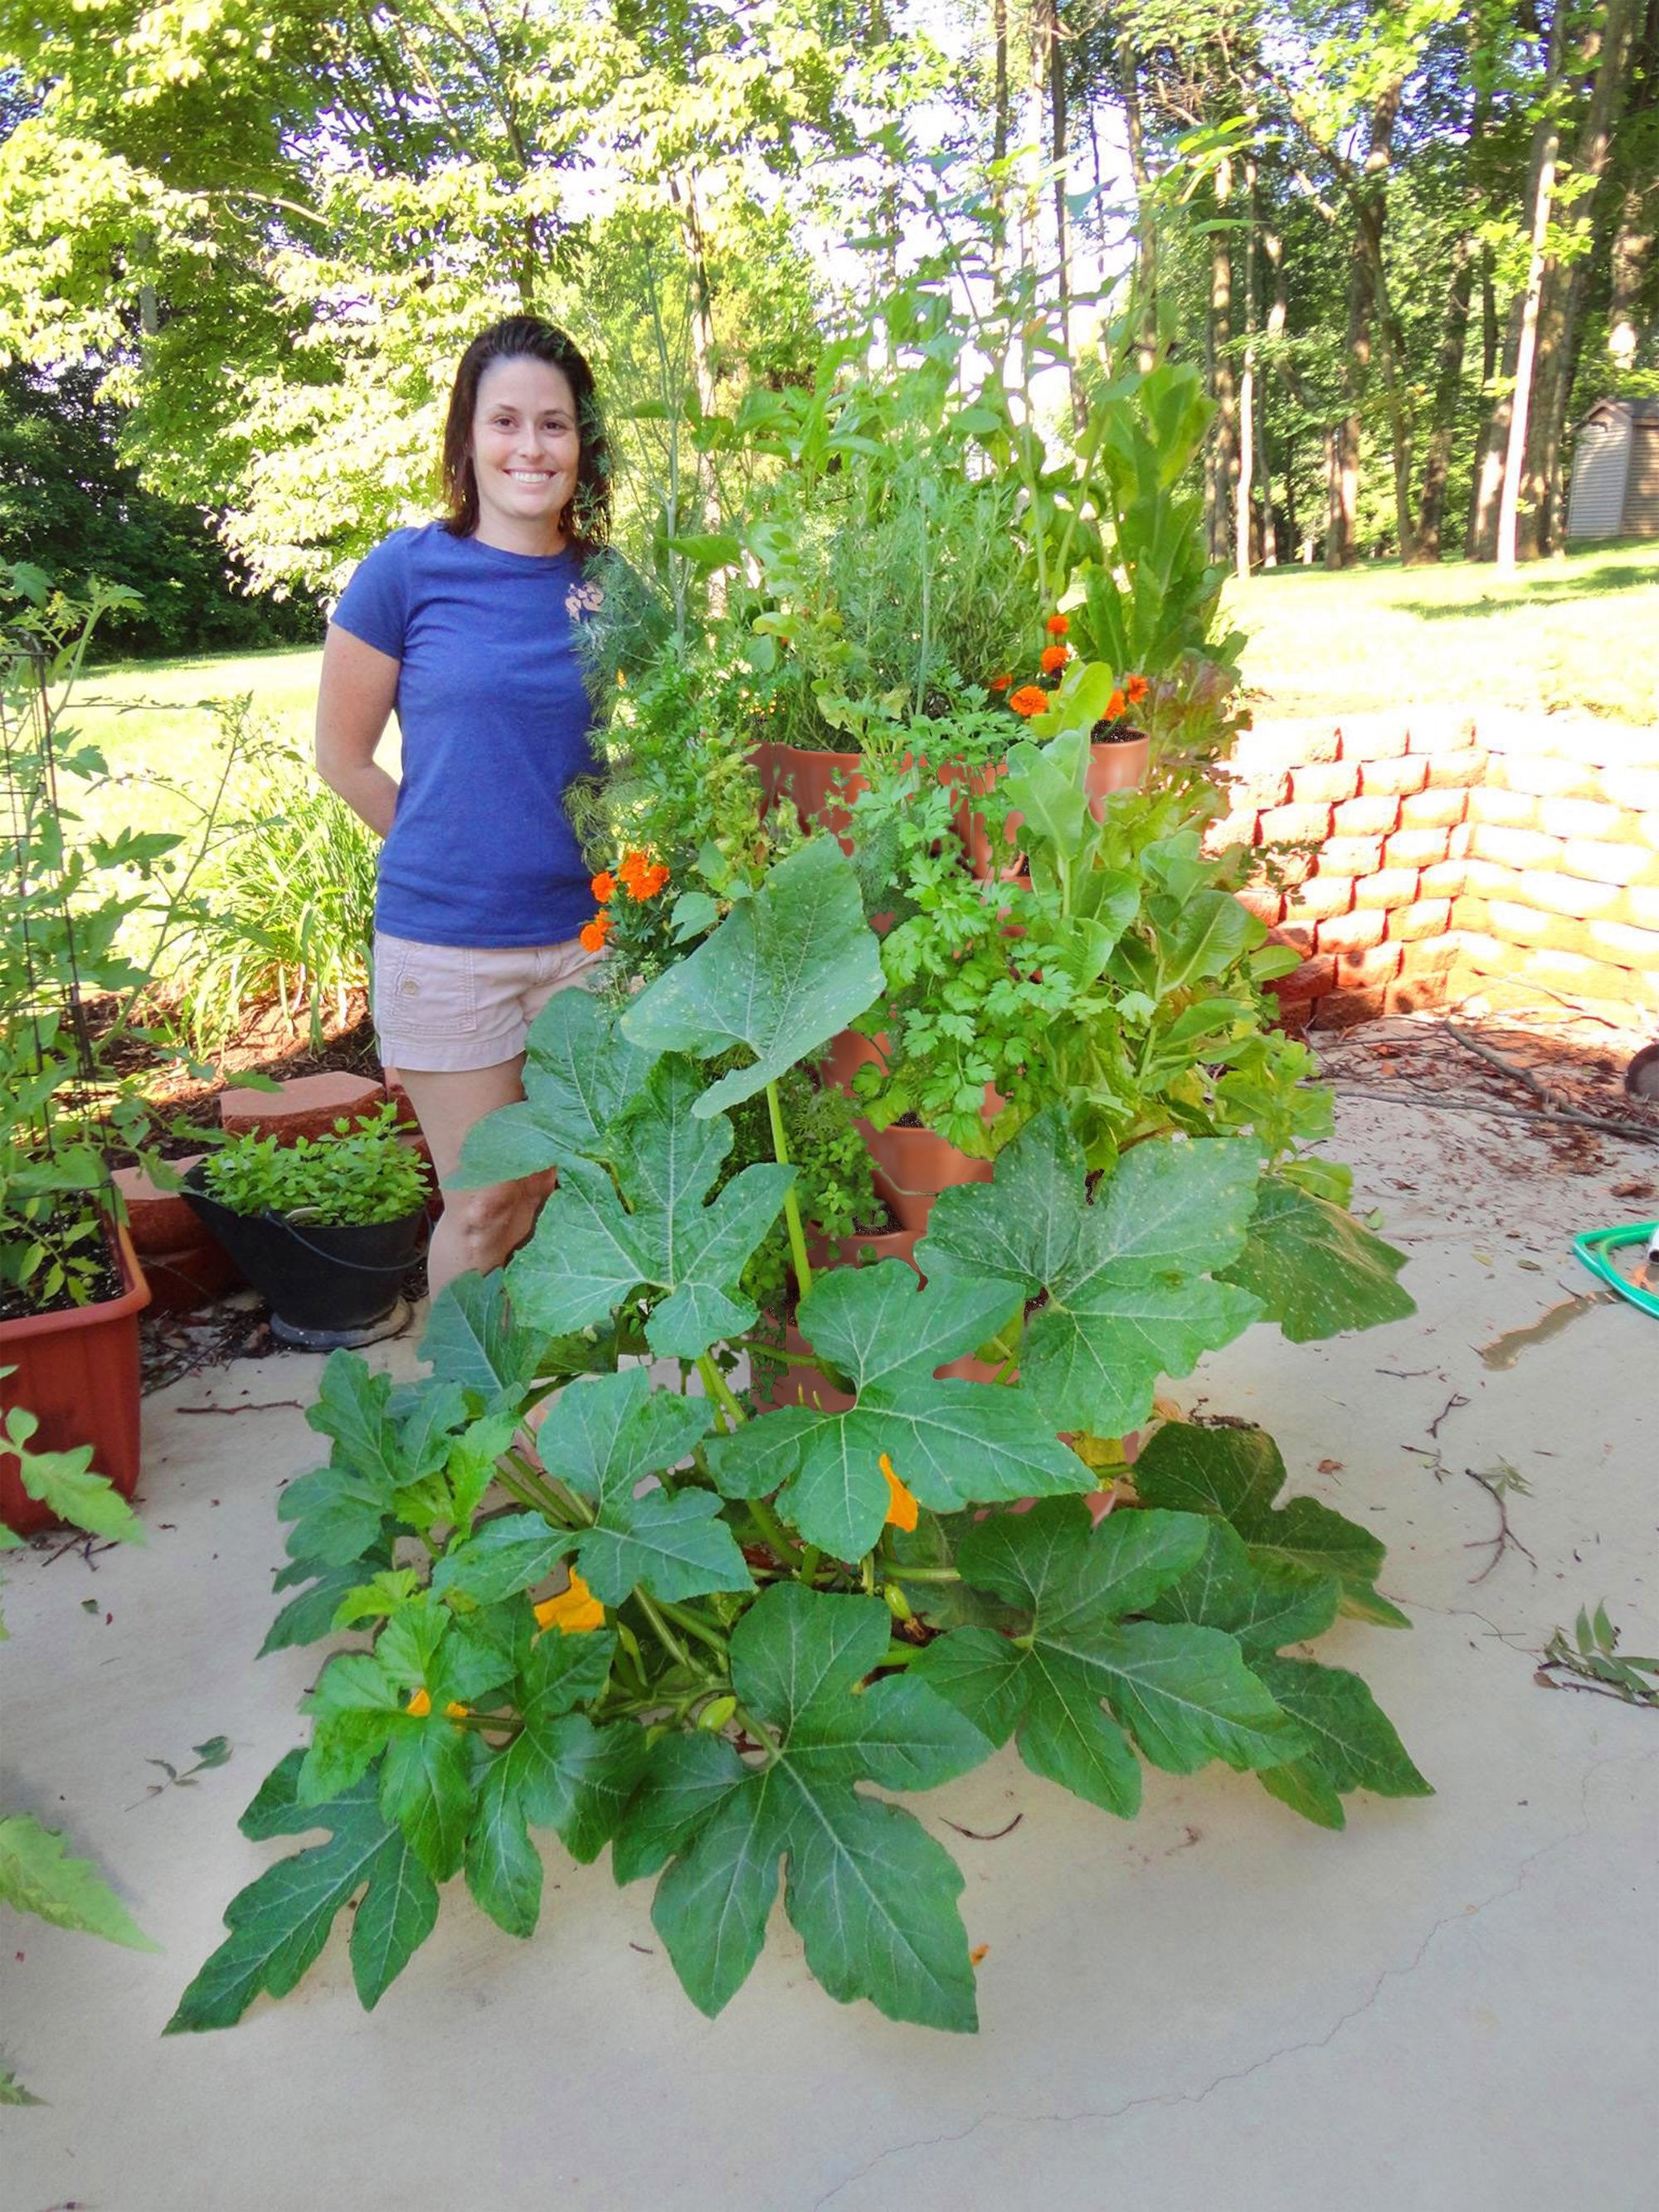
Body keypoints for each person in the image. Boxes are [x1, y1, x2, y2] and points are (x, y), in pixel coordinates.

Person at [314, 315, 615, 1298]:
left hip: (587, 946)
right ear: (467, 438)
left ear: (582, 444)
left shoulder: (613, 591)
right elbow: (342, 757)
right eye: (506, 421)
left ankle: (557, 1436)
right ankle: (467, 1435)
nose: (530, 447)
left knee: (566, 1198)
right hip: (446, 949)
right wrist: (446, 851)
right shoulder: (405, 573)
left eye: (555, 425)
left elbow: (661, 754)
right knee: (486, 1207)